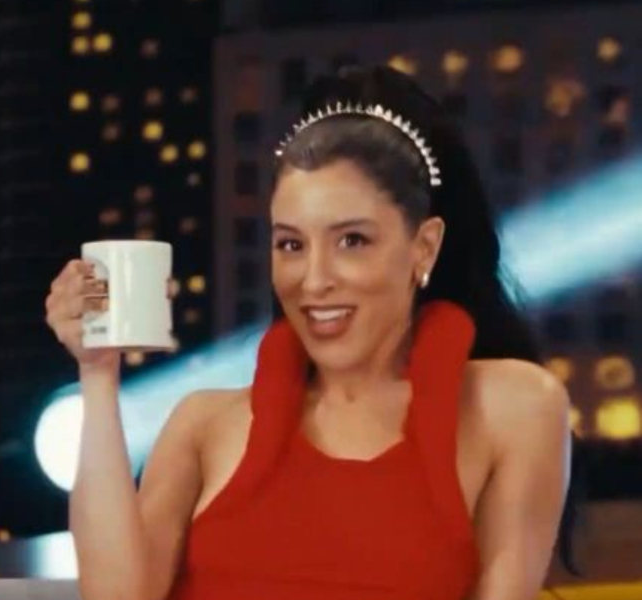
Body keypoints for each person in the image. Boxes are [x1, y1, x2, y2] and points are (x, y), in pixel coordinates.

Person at [44, 65, 573, 600]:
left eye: (353, 241)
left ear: (424, 247)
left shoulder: (514, 407)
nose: (314, 280)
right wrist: (97, 371)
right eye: (291, 245)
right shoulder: (203, 423)